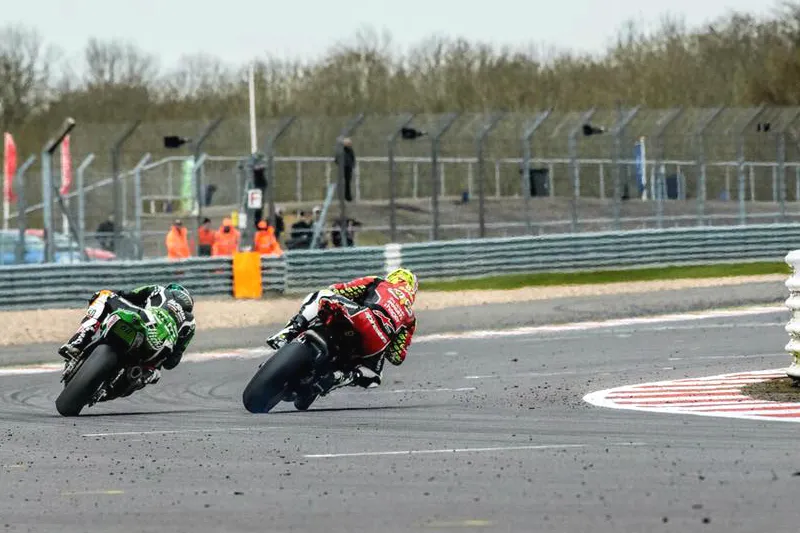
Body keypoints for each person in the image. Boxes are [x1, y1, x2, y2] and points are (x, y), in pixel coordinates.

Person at [266, 268, 418, 401]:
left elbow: (339, 289)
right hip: (376, 343)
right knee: (375, 377)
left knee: (322, 295)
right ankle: (342, 377)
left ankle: (288, 332)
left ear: (393, 277)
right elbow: (396, 357)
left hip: (361, 316)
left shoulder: (378, 282)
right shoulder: (410, 318)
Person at [58, 283, 196, 387]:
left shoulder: (160, 290)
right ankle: (143, 375)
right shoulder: (190, 323)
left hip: (144, 319)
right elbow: (172, 362)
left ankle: (78, 341)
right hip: (157, 350)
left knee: (104, 295)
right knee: (154, 374)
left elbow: (126, 295)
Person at [334, 137, 356, 202]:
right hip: (342, 168)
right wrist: (340, 164)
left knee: (347, 183)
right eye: (348, 143)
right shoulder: (341, 150)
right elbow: (336, 159)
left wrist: (352, 165)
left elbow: (353, 158)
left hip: (348, 168)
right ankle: (340, 196)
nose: (349, 144)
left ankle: (348, 197)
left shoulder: (350, 150)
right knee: (341, 182)